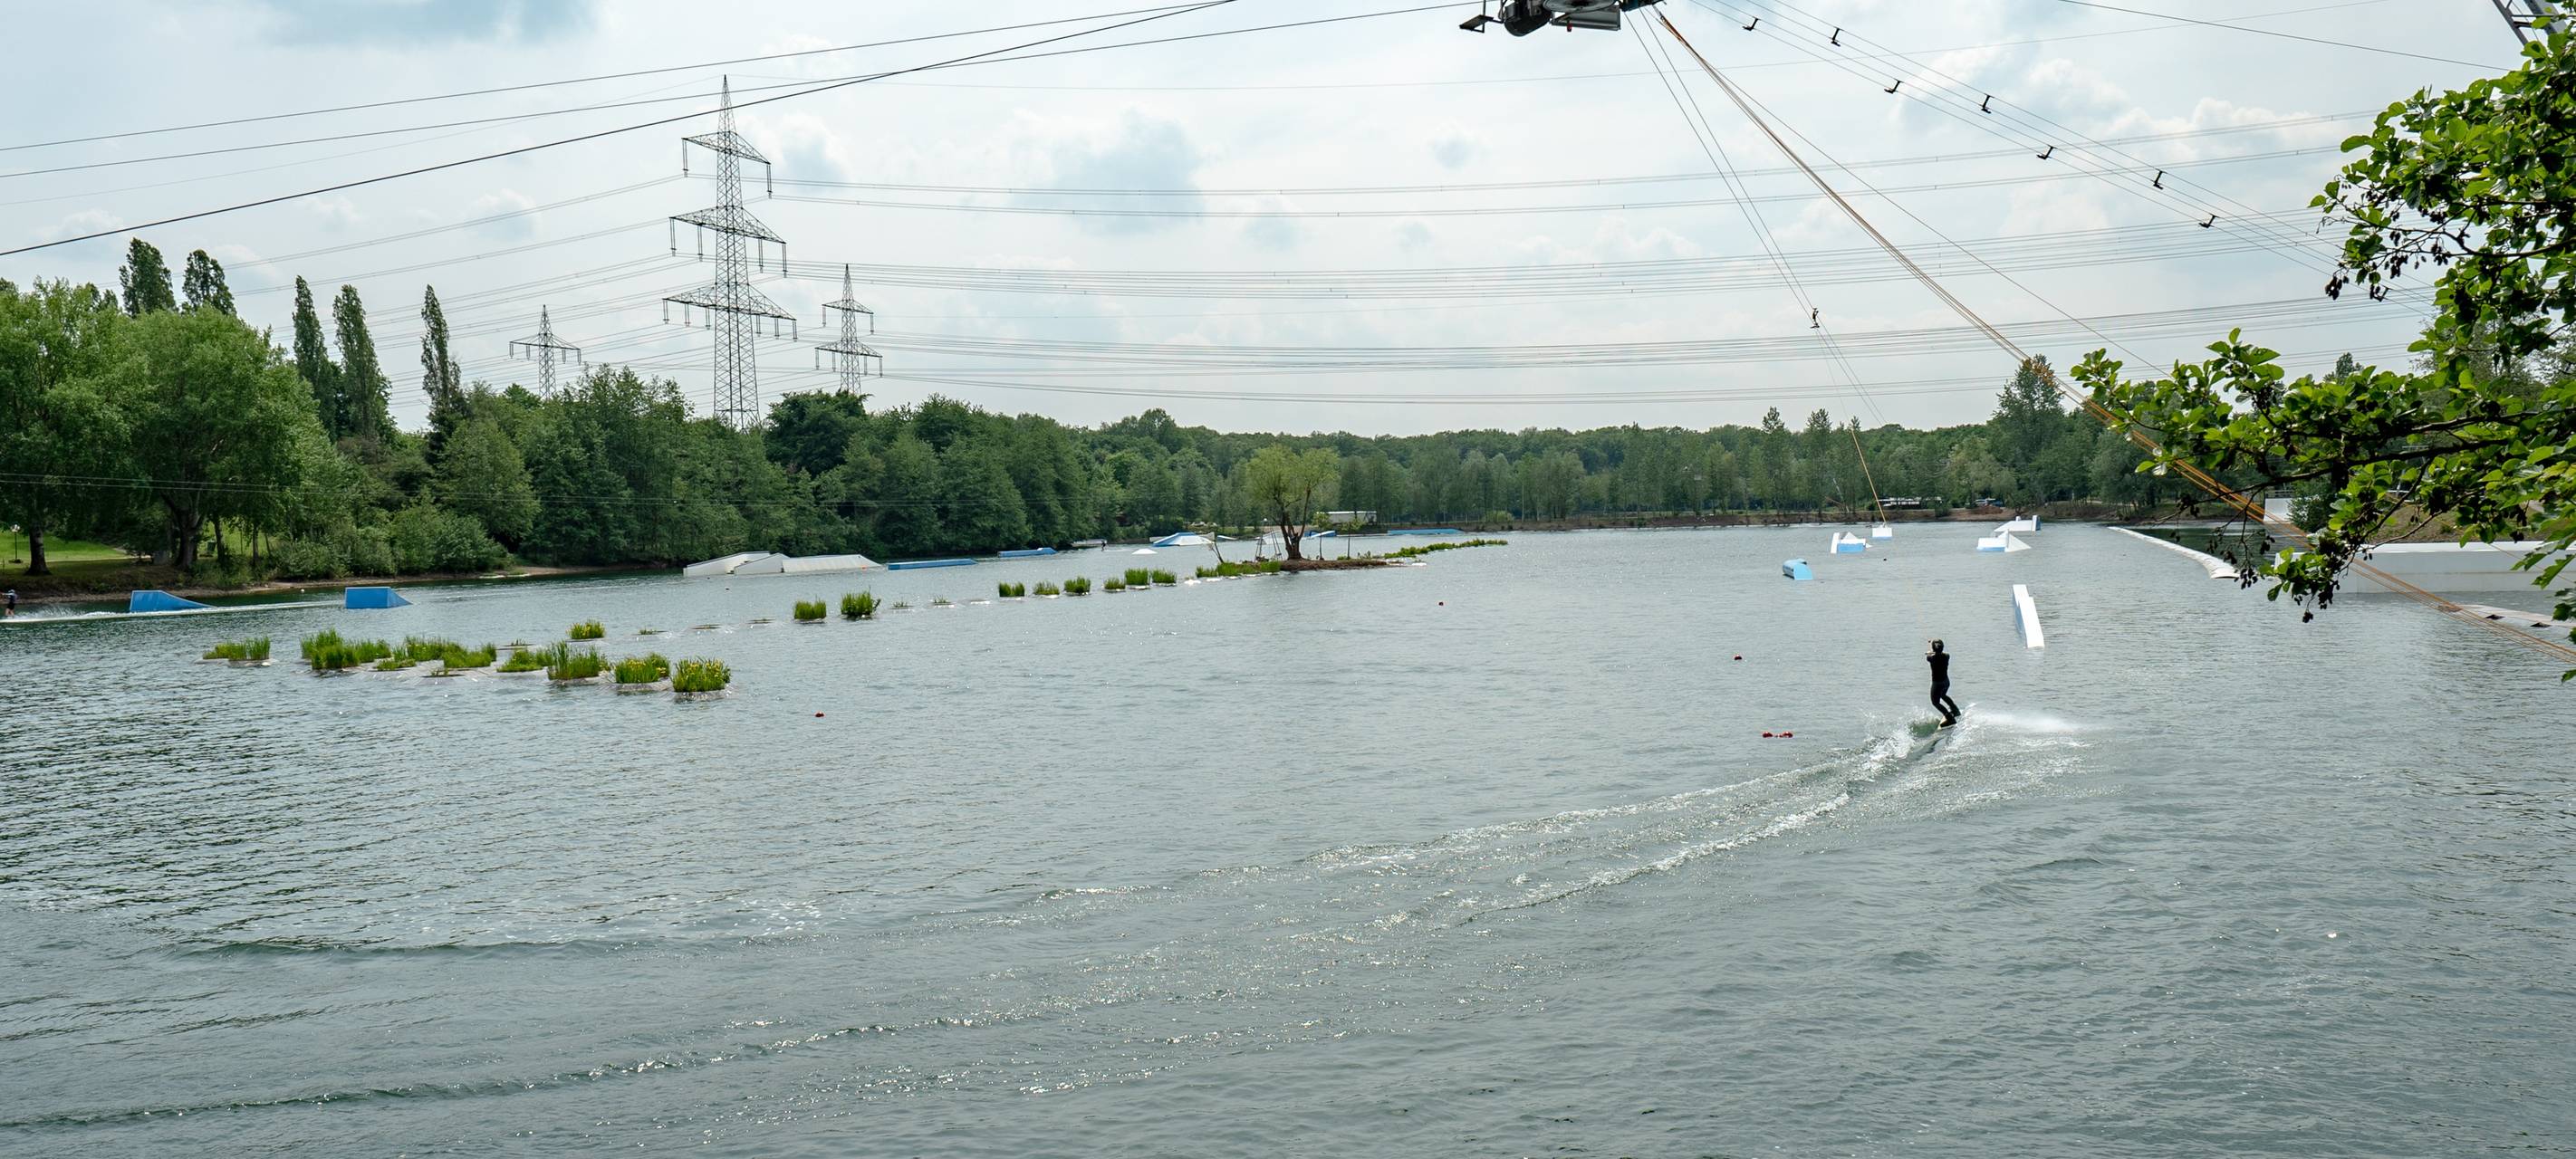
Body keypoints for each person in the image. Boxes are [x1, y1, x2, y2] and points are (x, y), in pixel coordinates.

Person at [1926, 639, 1959, 727]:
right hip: (1946, 682)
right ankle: (1955, 710)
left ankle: (1950, 718)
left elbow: (1928, 656)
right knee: (1943, 695)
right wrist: (1933, 652)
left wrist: (1930, 652)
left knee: (1935, 702)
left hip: (1937, 684)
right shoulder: (1947, 656)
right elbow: (1937, 654)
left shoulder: (1931, 658)